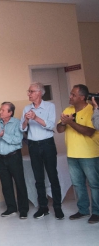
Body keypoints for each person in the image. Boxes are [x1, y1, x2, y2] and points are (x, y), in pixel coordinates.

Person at [20, 82, 64, 220]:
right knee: (38, 178)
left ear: (39, 93)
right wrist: (26, 120)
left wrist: (35, 118)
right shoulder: (26, 108)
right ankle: (43, 207)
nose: (29, 94)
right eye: (29, 91)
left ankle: (57, 207)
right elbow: (22, 129)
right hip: (33, 145)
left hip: (47, 144)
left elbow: (50, 125)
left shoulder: (50, 106)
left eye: (31, 91)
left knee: (53, 176)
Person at [57, 84, 99, 224]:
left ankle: (97, 212)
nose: (70, 97)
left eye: (73, 95)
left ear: (82, 97)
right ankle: (83, 210)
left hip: (90, 155)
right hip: (72, 154)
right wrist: (63, 123)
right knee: (78, 184)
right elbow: (59, 130)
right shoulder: (68, 109)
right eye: (70, 94)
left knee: (94, 184)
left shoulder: (92, 110)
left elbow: (89, 131)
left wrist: (71, 122)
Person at [0, 102, 29, 219]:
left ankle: (23, 209)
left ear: (10, 112)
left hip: (14, 156)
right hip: (1, 158)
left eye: (3, 110)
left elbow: (18, 140)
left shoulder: (17, 123)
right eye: (0, 109)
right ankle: (11, 208)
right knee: (5, 184)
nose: (0, 112)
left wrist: (2, 135)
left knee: (19, 183)